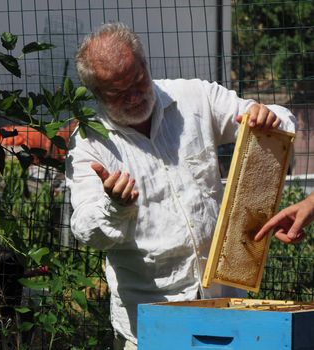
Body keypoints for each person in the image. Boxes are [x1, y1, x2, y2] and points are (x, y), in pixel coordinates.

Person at [65, 22, 296, 349]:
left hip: (226, 306)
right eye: (118, 92)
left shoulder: (193, 97)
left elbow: (276, 119)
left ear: (145, 64)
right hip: (151, 322)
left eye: (138, 80)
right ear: (96, 94)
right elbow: (87, 230)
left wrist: (267, 117)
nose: (133, 95)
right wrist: (115, 207)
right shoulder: (88, 144)